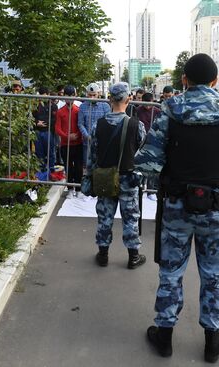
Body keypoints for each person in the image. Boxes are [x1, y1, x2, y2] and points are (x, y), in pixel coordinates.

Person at [135, 53, 219, 362]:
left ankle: (164, 336)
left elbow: (148, 163)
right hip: (216, 207)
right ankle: (212, 339)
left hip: (177, 206)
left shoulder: (169, 113)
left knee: (171, 272)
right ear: (215, 81)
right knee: (214, 275)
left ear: (184, 80)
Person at [81, 82, 147, 269]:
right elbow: (142, 155)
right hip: (128, 178)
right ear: (129, 99)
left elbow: (92, 156)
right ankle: (133, 257)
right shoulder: (137, 125)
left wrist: (90, 177)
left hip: (105, 179)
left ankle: (103, 255)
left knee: (104, 217)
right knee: (130, 218)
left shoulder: (98, 125)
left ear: (109, 99)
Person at [55, 85, 82, 198]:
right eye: (67, 96)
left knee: (79, 167)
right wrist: (67, 136)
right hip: (65, 144)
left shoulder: (78, 110)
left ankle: (79, 189)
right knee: (68, 167)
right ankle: (70, 189)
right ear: (64, 96)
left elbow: (81, 125)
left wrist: (77, 135)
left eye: (72, 95)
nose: (70, 98)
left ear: (75, 96)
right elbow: (57, 128)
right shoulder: (60, 111)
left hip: (78, 143)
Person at [78, 83, 110, 167]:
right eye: (89, 95)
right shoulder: (82, 106)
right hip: (87, 141)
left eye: (94, 95)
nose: (92, 97)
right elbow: (80, 124)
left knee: (100, 165)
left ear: (98, 94)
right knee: (88, 165)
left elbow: (108, 122)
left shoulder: (105, 106)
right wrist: (87, 136)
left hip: (101, 141)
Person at [33, 86, 58, 179]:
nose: (43, 97)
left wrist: (45, 123)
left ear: (48, 95)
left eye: (45, 95)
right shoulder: (35, 106)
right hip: (38, 132)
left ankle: (52, 171)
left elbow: (55, 119)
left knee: (50, 152)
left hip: (48, 132)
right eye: (41, 96)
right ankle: (42, 172)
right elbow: (30, 117)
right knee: (39, 153)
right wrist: (36, 123)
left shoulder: (53, 106)